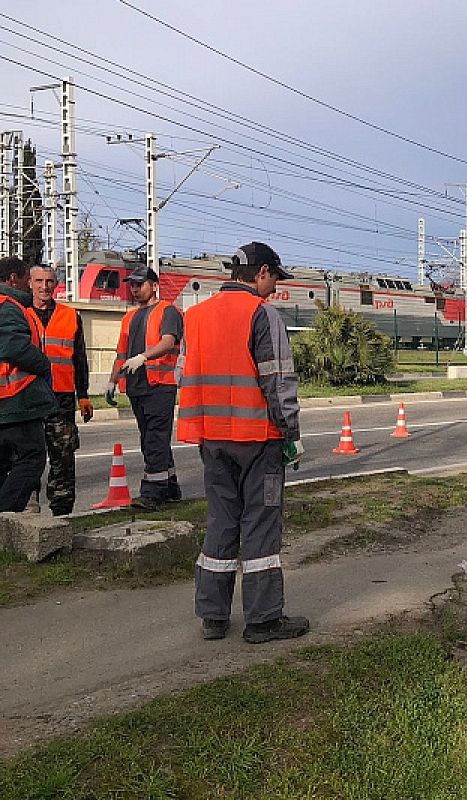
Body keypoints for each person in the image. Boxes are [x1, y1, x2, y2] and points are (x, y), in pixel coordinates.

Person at [178, 241, 308, 644]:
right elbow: (277, 381)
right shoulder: (262, 314)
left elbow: (183, 375)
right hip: (258, 440)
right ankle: (264, 619)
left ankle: (213, 617)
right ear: (263, 272)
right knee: (260, 526)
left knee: (221, 522)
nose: (275, 288)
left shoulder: (194, 316)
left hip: (212, 439)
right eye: (275, 279)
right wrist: (291, 435)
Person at [106, 265, 182, 510]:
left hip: (160, 385)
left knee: (154, 439)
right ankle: (169, 486)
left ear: (154, 286)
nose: (135, 289)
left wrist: (144, 357)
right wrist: (112, 380)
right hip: (136, 386)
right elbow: (121, 352)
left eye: (140, 284)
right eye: (133, 285)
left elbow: (168, 341)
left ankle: (153, 492)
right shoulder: (129, 316)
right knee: (151, 437)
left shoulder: (168, 311)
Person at [27, 265, 92, 516]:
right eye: (39, 281)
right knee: (28, 455)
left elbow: (79, 359)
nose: (45, 286)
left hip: (61, 397)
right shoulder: (18, 314)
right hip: (28, 396)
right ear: (30, 283)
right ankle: (27, 507)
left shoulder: (70, 315)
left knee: (63, 456)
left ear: (56, 284)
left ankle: (62, 512)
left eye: (50, 281)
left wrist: (83, 395)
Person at [0, 257, 55, 512]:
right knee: (32, 458)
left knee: (3, 463)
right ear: (13, 278)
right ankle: (6, 517)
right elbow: (13, 346)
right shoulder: (8, 305)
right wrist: (43, 364)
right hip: (15, 399)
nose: (29, 285)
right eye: (26, 279)